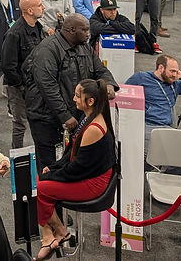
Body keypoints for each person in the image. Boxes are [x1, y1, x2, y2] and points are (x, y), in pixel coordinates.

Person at [34, 79, 116, 259]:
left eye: (78, 96)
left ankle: (49, 235)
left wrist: (53, 175)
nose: (74, 99)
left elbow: (78, 169)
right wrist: (53, 168)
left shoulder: (94, 127)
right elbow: (71, 151)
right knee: (39, 181)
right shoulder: (88, 116)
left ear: (91, 101)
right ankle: (60, 232)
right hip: (85, 173)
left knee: (39, 188)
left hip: (94, 183)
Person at [23, 15, 117, 169]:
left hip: (75, 116)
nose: (89, 34)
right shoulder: (47, 50)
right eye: (85, 30)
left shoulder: (84, 47)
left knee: (69, 164)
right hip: (46, 118)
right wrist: (65, 116)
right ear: (72, 30)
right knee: (49, 166)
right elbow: (48, 87)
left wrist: (109, 84)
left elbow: (100, 70)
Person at [126, 55, 181, 148]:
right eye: (172, 71)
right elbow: (124, 92)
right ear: (161, 68)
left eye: (177, 71)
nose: (175, 75)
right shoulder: (141, 78)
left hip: (167, 127)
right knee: (154, 156)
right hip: (148, 125)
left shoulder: (175, 84)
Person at [1, 0, 47, 149]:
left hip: (34, 85)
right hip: (18, 87)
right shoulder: (14, 34)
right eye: (40, 5)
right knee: (20, 124)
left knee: (37, 121)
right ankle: (18, 157)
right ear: (30, 11)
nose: (43, 7)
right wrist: (21, 86)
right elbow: (8, 66)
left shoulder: (38, 27)